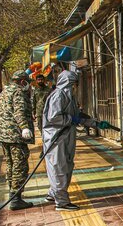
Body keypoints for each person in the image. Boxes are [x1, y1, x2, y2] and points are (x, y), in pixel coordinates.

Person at [42, 70, 106, 211]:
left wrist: (93, 122)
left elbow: (75, 115)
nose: (76, 87)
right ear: (69, 83)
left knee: (65, 166)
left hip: (65, 137)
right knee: (58, 167)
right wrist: (73, 119)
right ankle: (62, 202)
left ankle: (53, 194)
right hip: (56, 138)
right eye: (75, 84)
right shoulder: (59, 95)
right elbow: (54, 117)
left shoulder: (68, 96)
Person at [0, 70, 35, 210]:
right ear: (22, 81)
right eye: (27, 82)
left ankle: (12, 193)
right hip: (16, 135)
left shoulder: (4, 92)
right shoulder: (18, 92)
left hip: (4, 135)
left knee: (10, 164)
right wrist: (24, 127)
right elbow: (19, 111)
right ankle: (16, 198)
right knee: (20, 165)